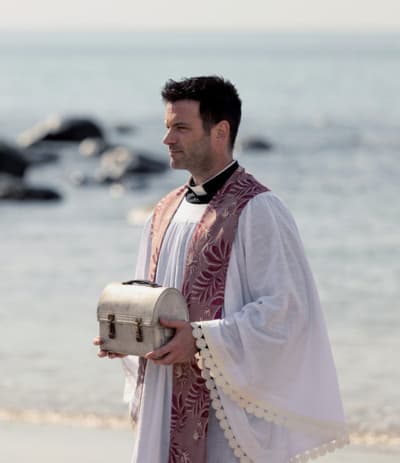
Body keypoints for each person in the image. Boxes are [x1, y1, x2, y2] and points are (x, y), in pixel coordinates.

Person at [94, 76, 348, 463]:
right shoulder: (163, 212)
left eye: (181, 128)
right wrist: (129, 339)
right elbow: (149, 301)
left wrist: (199, 341)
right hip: (166, 402)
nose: (167, 140)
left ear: (220, 131)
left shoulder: (259, 209)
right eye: (167, 127)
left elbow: (286, 313)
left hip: (223, 411)